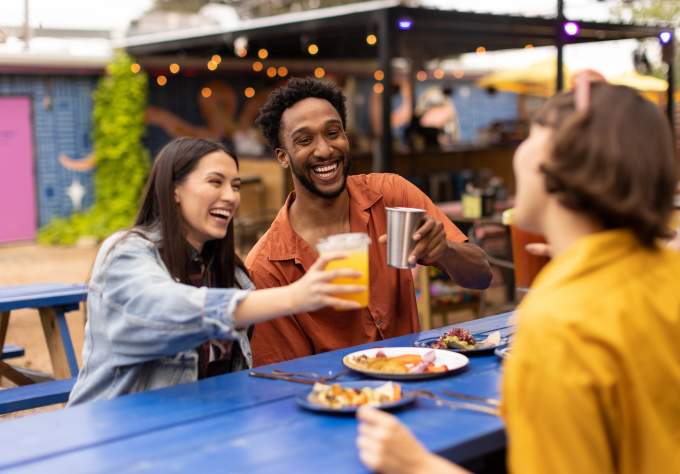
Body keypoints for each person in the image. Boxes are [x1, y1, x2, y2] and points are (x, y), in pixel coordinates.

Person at [356, 82, 680, 474]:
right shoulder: (665, 273)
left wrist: (417, 466)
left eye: (532, 136)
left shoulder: (559, 325)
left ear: (556, 164)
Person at [68, 137, 364, 405]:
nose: (231, 196)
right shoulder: (126, 253)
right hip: (115, 442)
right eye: (215, 182)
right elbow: (167, 309)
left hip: (199, 434)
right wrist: (294, 296)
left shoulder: (231, 274)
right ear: (174, 190)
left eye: (235, 186)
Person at [246, 77, 491, 366]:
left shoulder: (391, 194)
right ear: (283, 157)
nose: (324, 150)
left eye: (333, 132)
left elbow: (481, 276)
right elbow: (284, 377)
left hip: (414, 384)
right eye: (304, 140)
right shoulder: (266, 267)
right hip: (336, 401)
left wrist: (445, 252)